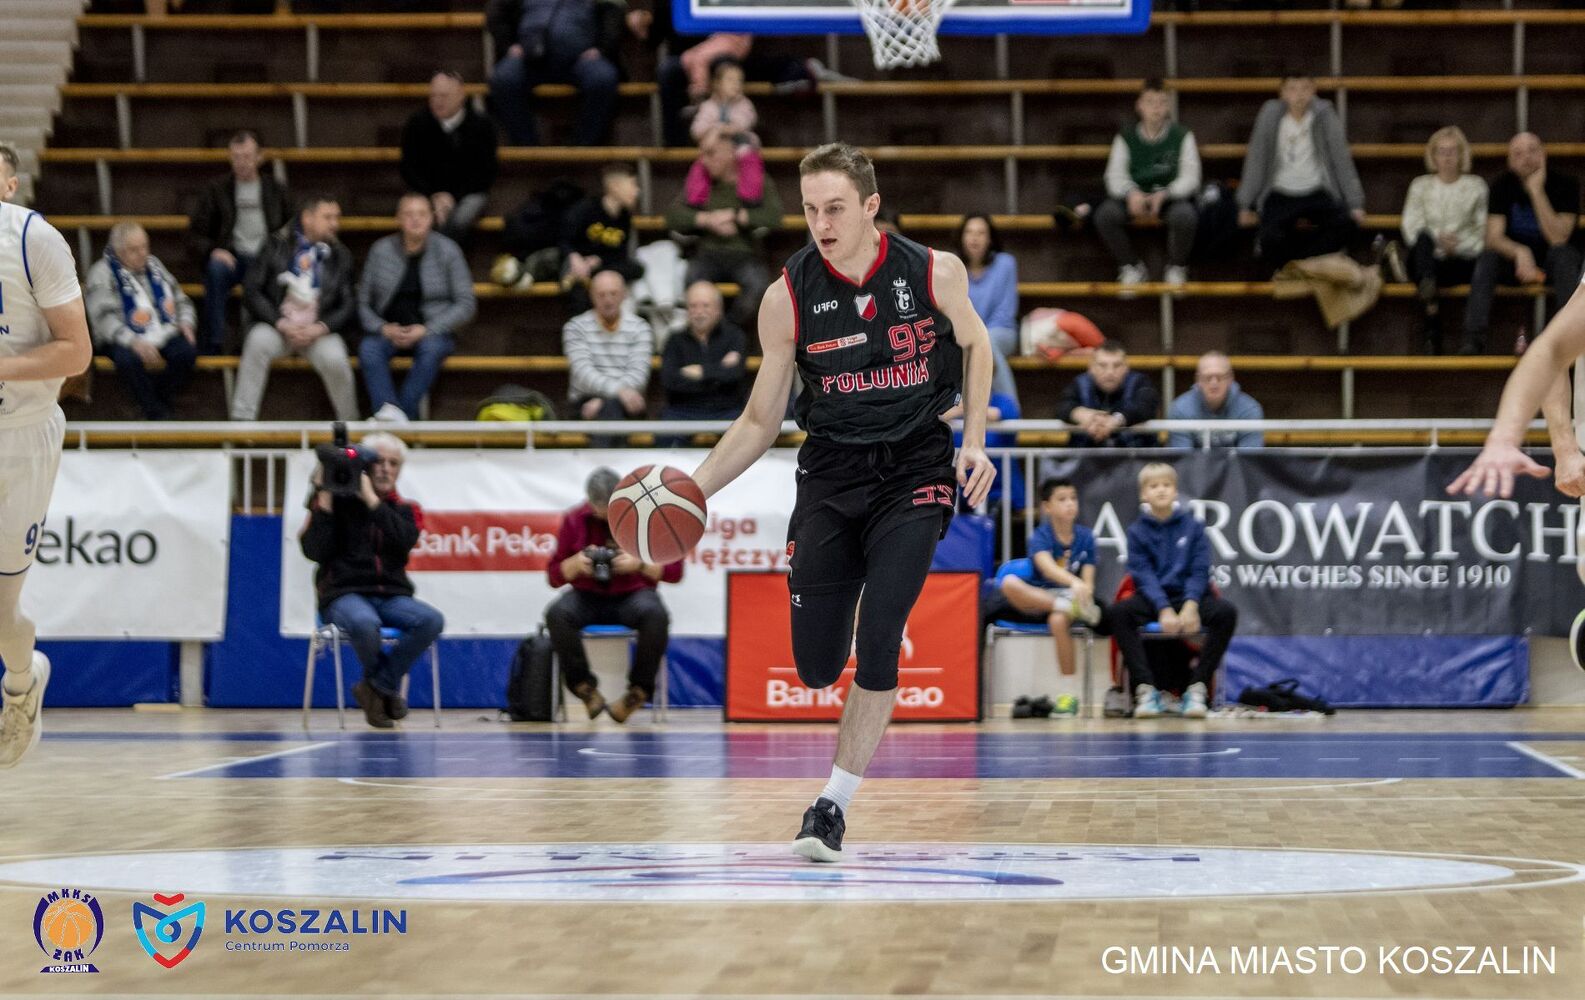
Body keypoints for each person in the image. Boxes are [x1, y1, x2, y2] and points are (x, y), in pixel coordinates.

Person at [688, 142, 996, 862]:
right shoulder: (786, 298)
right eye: (809, 210)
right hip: (829, 474)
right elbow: (759, 421)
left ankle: (831, 805)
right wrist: (691, 493)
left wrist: (974, 441)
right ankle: (834, 594)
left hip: (914, 467)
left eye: (833, 208)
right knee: (818, 669)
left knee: (882, 628)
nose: (821, 224)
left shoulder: (933, 271)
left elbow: (976, 345)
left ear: (869, 206)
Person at [0, 140, 93, 767]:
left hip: (21, 434)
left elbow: (76, 352)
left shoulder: (34, 239)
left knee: (3, 613)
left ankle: (21, 682)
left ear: (9, 185)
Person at [299, 432, 444, 729]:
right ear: (364, 465)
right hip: (343, 594)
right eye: (379, 462)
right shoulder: (337, 503)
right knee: (365, 623)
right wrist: (324, 494)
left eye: (393, 463)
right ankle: (384, 693)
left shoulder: (407, 510)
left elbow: (403, 539)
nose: (386, 469)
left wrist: (370, 500)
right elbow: (314, 551)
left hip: (391, 595)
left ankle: (376, 687)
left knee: (431, 620)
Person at [544, 467, 683, 723]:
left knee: (655, 615)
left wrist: (639, 564)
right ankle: (584, 688)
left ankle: (638, 693)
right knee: (557, 614)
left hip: (634, 594)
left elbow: (675, 572)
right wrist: (574, 564)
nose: (604, 517)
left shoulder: (645, 516)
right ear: (589, 502)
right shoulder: (575, 519)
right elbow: (553, 577)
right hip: (587, 595)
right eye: (598, 511)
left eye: (609, 511)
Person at [1106, 462, 1238, 719]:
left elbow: (1199, 571)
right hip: (1154, 599)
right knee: (1120, 613)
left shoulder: (1194, 527)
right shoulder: (1136, 532)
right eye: (1154, 486)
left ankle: (1197, 688)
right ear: (1144, 494)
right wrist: (1163, 608)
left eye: (1166, 485)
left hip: (1189, 597)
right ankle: (1146, 690)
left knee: (1226, 613)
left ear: (1175, 491)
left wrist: (1190, 605)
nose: (1161, 490)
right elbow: (1143, 575)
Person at [232, 193, 359, 421]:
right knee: (257, 342)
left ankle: (350, 425)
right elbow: (252, 291)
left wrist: (321, 327)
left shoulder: (341, 255)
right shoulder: (275, 244)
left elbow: (348, 303)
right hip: (278, 325)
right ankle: (242, 422)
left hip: (318, 330)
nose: (335, 224)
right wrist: (280, 323)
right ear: (307, 218)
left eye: (337, 217)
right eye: (328, 217)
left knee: (336, 359)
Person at [356, 193, 476, 422]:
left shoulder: (448, 250)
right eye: (409, 214)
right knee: (369, 349)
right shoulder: (380, 250)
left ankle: (400, 419)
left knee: (432, 349)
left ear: (432, 218)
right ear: (398, 219)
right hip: (389, 330)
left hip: (431, 331)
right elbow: (362, 303)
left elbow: (466, 303)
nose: (415, 219)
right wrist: (382, 328)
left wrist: (428, 329)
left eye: (421, 214)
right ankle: (388, 411)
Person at [1459, 132, 1582, 355]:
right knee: (1487, 258)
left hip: (1553, 261)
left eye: (1532, 151)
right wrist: (1519, 251)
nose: (1526, 158)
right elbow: (1493, 237)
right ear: (1510, 161)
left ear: (1544, 154)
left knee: (1566, 256)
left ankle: (1571, 340)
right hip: (1517, 264)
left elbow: (1558, 239)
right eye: (1518, 153)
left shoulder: (1566, 184)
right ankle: (1473, 340)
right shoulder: (1501, 185)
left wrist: (1536, 192)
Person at [1237, 74, 1366, 270]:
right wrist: (1245, 204)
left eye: (1305, 88)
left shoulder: (1324, 115)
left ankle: (1302, 264)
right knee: (1269, 238)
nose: (1299, 95)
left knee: (1348, 226)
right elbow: (1257, 159)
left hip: (1316, 190)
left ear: (1313, 91)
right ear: (1282, 93)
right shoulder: (1270, 115)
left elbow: (1341, 159)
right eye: (1292, 89)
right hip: (1280, 191)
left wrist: (1355, 203)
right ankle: (1298, 266)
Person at [982, 478, 1101, 681]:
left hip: (1070, 598)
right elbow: (1048, 569)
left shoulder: (1087, 537)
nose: (1070, 504)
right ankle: (1066, 607)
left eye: (1073, 498)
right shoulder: (1040, 536)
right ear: (1047, 507)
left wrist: (1085, 591)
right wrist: (1074, 582)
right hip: (1036, 599)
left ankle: (1067, 688)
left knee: (1057, 620)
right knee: (1009, 582)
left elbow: (1088, 580)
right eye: (1062, 499)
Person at [665, 129, 783, 328]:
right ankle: (707, 330)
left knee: (758, 285)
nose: (704, 160)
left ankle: (727, 330)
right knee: (692, 278)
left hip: (745, 254)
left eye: (712, 154)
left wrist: (738, 217)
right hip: (708, 253)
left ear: (730, 153)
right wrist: (706, 219)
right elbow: (672, 217)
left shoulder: (757, 180)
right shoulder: (700, 181)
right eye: (703, 154)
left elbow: (774, 217)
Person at [187, 129, 289, 353]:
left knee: (280, 274)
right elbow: (195, 233)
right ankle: (215, 343)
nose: (242, 163)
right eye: (236, 157)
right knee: (216, 269)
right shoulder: (217, 190)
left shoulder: (275, 189)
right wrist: (213, 250)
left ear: (259, 157)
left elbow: (292, 223)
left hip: (266, 259)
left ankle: (271, 341)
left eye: (247, 157)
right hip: (234, 256)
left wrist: (279, 249)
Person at [84, 222, 198, 420]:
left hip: (163, 329)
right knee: (128, 361)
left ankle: (156, 403)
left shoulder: (155, 265)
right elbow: (103, 319)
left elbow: (180, 299)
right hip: (120, 336)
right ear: (118, 251)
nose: (143, 253)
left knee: (186, 352)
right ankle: (156, 412)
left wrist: (186, 322)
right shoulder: (101, 273)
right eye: (134, 250)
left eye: (145, 246)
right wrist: (133, 341)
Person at [1094, 79, 1201, 288]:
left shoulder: (1182, 136)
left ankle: (1177, 266)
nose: (1156, 108)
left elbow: (1191, 177)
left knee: (1186, 216)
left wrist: (1166, 194)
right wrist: (1131, 193)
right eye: (1150, 102)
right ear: (1139, 105)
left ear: (1168, 107)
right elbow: (1114, 176)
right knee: (1105, 215)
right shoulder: (1126, 137)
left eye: (1162, 102)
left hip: (1169, 197)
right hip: (1134, 196)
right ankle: (1131, 266)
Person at [1392, 126, 1487, 354]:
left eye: (1452, 151)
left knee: (1484, 261)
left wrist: (1457, 245)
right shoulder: (1420, 185)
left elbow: (1482, 229)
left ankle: (1431, 311)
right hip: (1429, 257)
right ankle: (1429, 294)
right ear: (1433, 156)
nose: (1447, 157)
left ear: (1462, 155)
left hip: (1461, 259)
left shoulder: (1476, 186)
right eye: (1441, 152)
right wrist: (1437, 240)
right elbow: (1410, 226)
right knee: (1423, 240)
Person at [486, 0, 625, 146]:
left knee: (603, 79)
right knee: (504, 78)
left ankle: (582, 146)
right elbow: (496, 11)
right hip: (530, 59)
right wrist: (508, 45)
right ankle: (527, 145)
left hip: (581, 61)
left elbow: (614, 10)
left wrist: (602, 49)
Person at [399, 70, 498, 245]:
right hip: (428, 191)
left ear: (461, 96)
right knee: (417, 214)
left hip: (469, 192)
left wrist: (453, 198)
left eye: (444, 96)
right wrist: (434, 195)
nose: (437, 101)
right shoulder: (417, 123)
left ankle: (438, 257)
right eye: (433, 96)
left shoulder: (482, 125)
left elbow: (485, 173)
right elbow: (409, 168)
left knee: (460, 219)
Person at [563, 269, 653, 425]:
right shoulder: (575, 327)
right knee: (611, 409)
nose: (608, 300)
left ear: (624, 294)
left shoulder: (640, 327)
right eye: (601, 295)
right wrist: (616, 394)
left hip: (630, 400)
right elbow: (583, 374)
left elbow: (639, 375)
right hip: (586, 400)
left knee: (612, 409)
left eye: (613, 293)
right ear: (591, 296)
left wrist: (605, 400)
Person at [559, 163, 644, 314]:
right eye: (633, 185)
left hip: (603, 266)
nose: (637, 191)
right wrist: (574, 257)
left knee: (636, 269)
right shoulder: (585, 209)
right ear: (615, 187)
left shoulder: (624, 217)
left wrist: (598, 261)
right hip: (578, 264)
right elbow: (564, 239)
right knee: (577, 286)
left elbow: (620, 254)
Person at [660, 280, 747, 424]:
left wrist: (700, 371)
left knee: (745, 430)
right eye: (693, 306)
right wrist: (719, 371)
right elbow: (670, 380)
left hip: (727, 410)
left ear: (718, 309)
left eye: (705, 305)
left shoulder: (735, 336)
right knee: (665, 431)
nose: (699, 312)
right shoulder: (674, 340)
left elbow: (735, 374)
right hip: (682, 410)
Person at [686, 57, 765, 209]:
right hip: (716, 149)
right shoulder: (708, 106)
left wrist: (717, 129)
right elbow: (697, 129)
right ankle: (696, 200)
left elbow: (742, 124)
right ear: (717, 84)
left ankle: (750, 197)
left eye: (739, 81)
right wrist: (710, 136)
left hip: (740, 145)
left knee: (751, 160)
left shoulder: (744, 104)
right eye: (730, 80)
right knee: (701, 164)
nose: (736, 84)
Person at [957, 214, 1019, 402]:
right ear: (962, 237)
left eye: (981, 233)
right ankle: (958, 411)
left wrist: (979, 336)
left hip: (1002, 332)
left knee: (987, 343)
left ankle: (1011, 408)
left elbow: (1006, 312)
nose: (974, 238)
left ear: (990, 239)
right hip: (966, 334)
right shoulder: (954, 266)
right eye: (969, 232)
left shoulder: (1006, 264)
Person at [1055, 340, 1160, 448]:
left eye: (1117, 365)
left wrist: (1116, 420)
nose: (1110, 372)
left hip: (1135, 457)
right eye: (1102, 365)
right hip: (1086, 457)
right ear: (1091, 367)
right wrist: (1083, 415)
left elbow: (1146, 405)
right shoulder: (1079, 383)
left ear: (1126, 367)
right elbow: (1062, 407)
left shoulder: (1140, 382)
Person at [1166, 351, 1265, 449]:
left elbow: (1249, 457)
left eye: (1220, 377)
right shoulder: (1180, 409)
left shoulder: (1249, 410)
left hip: (1236, 461)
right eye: (1207, 378)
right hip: (1194, 461)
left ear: (1230, 378)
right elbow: (1181, 457)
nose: (1214, 383)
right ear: (1198, 379)